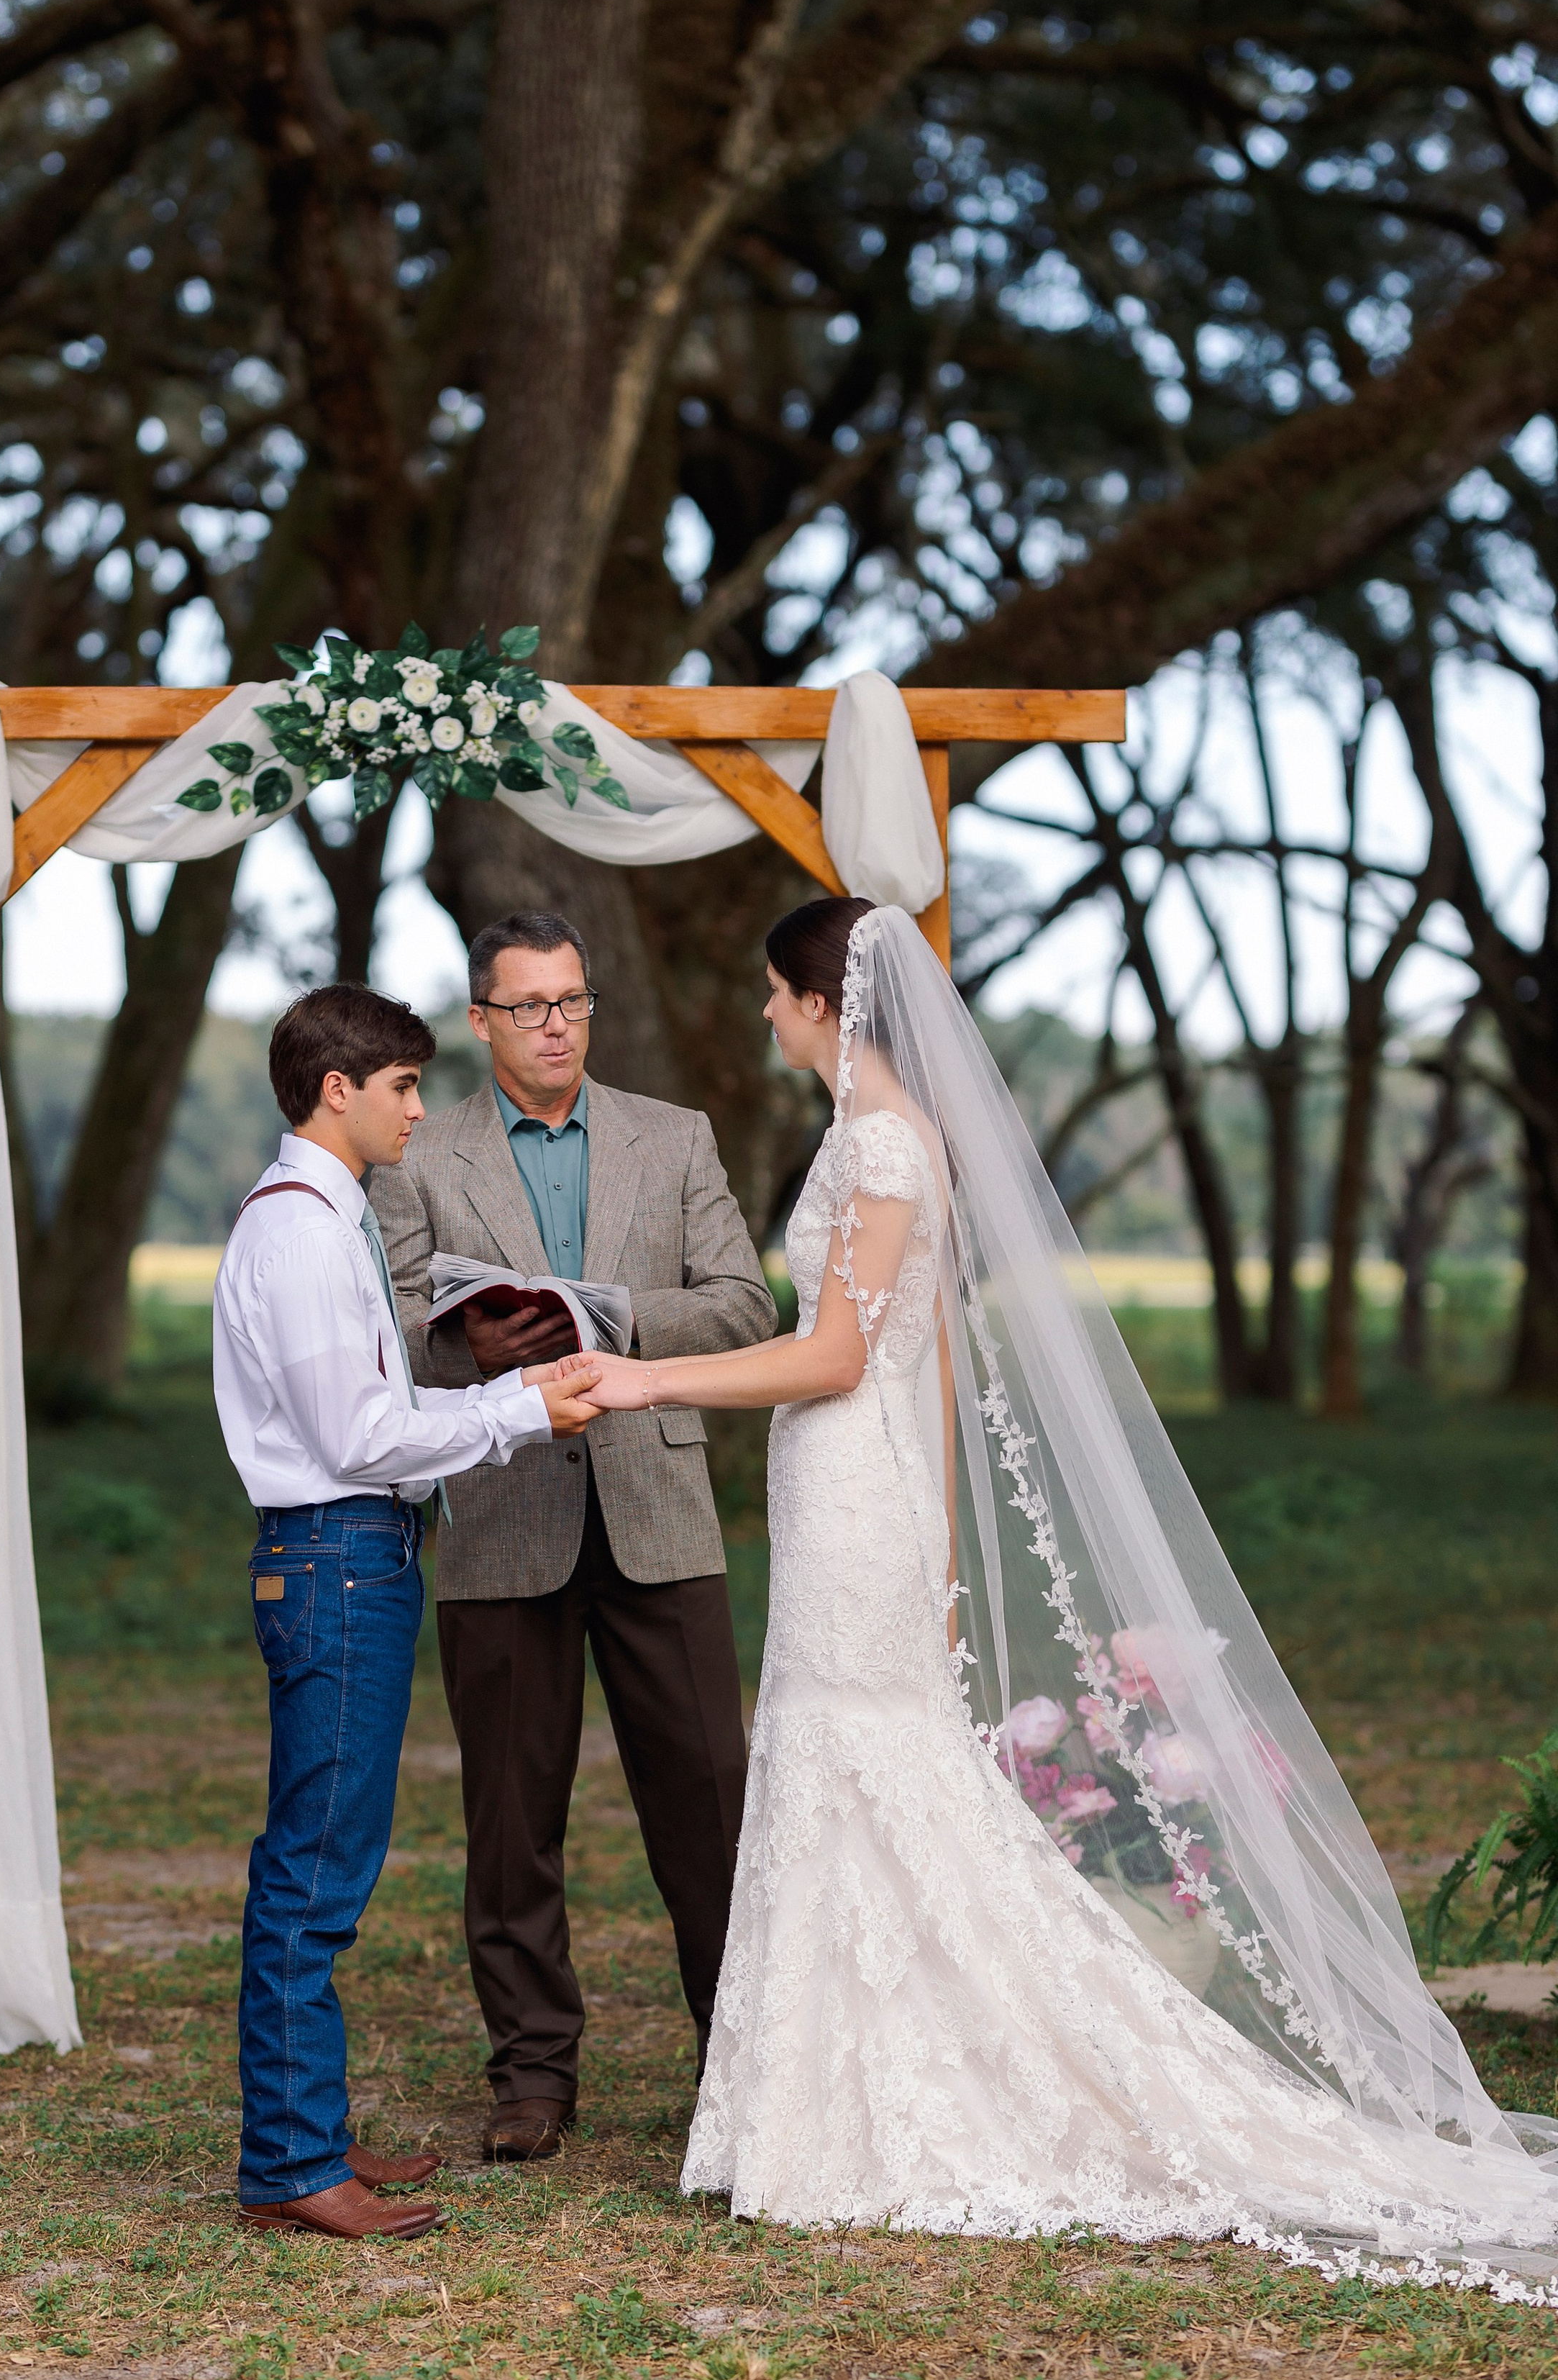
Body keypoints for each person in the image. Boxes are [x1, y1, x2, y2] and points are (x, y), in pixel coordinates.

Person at [573, 894, 1558, 2293]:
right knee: (851, 1764)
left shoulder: (878, 1144)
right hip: (867, 1495)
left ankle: (886, 2105)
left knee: (866, 1762)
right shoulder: (898, 1142)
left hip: (856, 1481)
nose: (758, 1014)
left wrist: (642, 1378)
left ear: (818, 1002)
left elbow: (842, 1357)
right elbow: (932, 1369)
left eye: (770, 993)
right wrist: (953, 1561)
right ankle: (834, 2099)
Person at [370, 910, 779, 2163]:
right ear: (480, 1020)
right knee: (510, 1818)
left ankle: (746, 2064)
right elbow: (386, 1318)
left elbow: (746, 1304)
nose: (556, 1025)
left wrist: (616, 1325)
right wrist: (462, 1346)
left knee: (711, 1809)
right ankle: (533, 2078)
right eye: (529, 1006)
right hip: (501, 1512)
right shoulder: (415, 1151)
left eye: (573, 1002)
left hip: (659, 1509)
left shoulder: (676, 1137)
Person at [213, 982, 603, 2241]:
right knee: (314, 1872)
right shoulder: (297, 1232)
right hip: (333, 1556)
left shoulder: (326, 1219)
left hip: (356, 1555)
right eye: (402, 1088)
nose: (418, 1112)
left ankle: (307, 2131)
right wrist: (519, 1411)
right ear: (340, 1089)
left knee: (331, 1858)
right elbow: (360, 1433)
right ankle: (288, 2164)